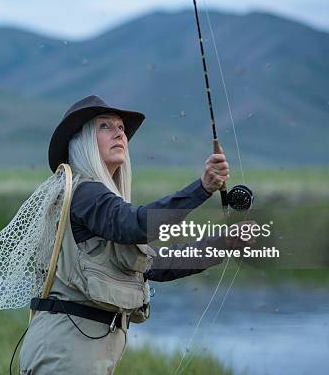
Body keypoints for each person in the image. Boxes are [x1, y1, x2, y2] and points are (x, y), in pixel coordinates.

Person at [18, 95, 251, 375]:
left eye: (121, 128)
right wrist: (202, 188)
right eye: (105, 126)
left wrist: (221, 244)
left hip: (78, 350)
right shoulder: (85, 193)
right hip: (66, 352)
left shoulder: (93, 201)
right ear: (81, 142)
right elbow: (138, 225)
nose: (119, 132)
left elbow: (156, 265)